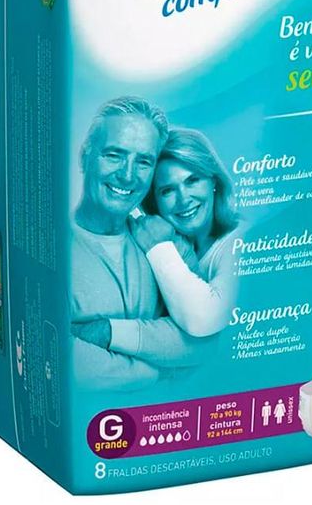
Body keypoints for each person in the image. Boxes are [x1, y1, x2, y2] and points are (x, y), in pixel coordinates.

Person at [71, 97, 216, 390]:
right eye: (114, 155)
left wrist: (107, 331)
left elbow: (206, 343)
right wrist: (156, 372)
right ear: (85, 156)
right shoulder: (53, 250)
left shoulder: (165, 244)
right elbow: (69, 365)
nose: (127, 175)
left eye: (143, 162)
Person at [108, 128, 239, 356]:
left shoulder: (240, 241)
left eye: (192, 180)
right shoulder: (155, 241)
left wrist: (159, 247)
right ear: (154, 202)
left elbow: (204, 318)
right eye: (167, 190)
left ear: (214, 181)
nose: (183, 199)